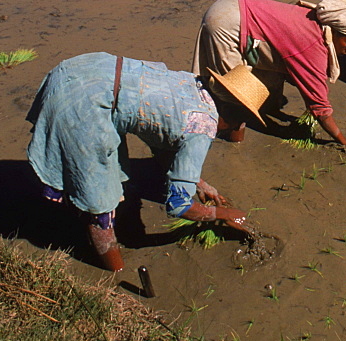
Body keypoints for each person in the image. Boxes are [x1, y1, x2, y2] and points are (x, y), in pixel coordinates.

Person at [26, 52, 262, 271]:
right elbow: (177, 205)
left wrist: (199, 184)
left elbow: (166, 136)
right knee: (99, 199)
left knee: (110, 169)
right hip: (84, 104)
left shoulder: (192, 83)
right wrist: (222, 213)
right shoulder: (202, 126)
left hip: (81, 68)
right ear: (233, 118)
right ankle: (113, 272)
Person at [192, 0, 346, 154]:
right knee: (236, 94)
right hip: (227, 24)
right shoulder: (312, 46)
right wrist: (345, 142)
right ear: (333, 32)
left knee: (269, 78)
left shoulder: (313, 21)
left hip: (233, 5)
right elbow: (320, 107)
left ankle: (261, 111)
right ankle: (224, 135)